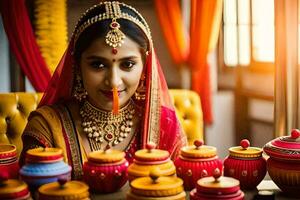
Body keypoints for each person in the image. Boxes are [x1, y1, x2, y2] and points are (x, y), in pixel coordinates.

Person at [20, 1, 187, 179]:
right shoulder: (47, 126)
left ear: (145, 67)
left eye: (128, 64)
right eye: (98, 65)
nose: (114, 81)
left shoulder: (164, 124)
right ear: (77, 67)